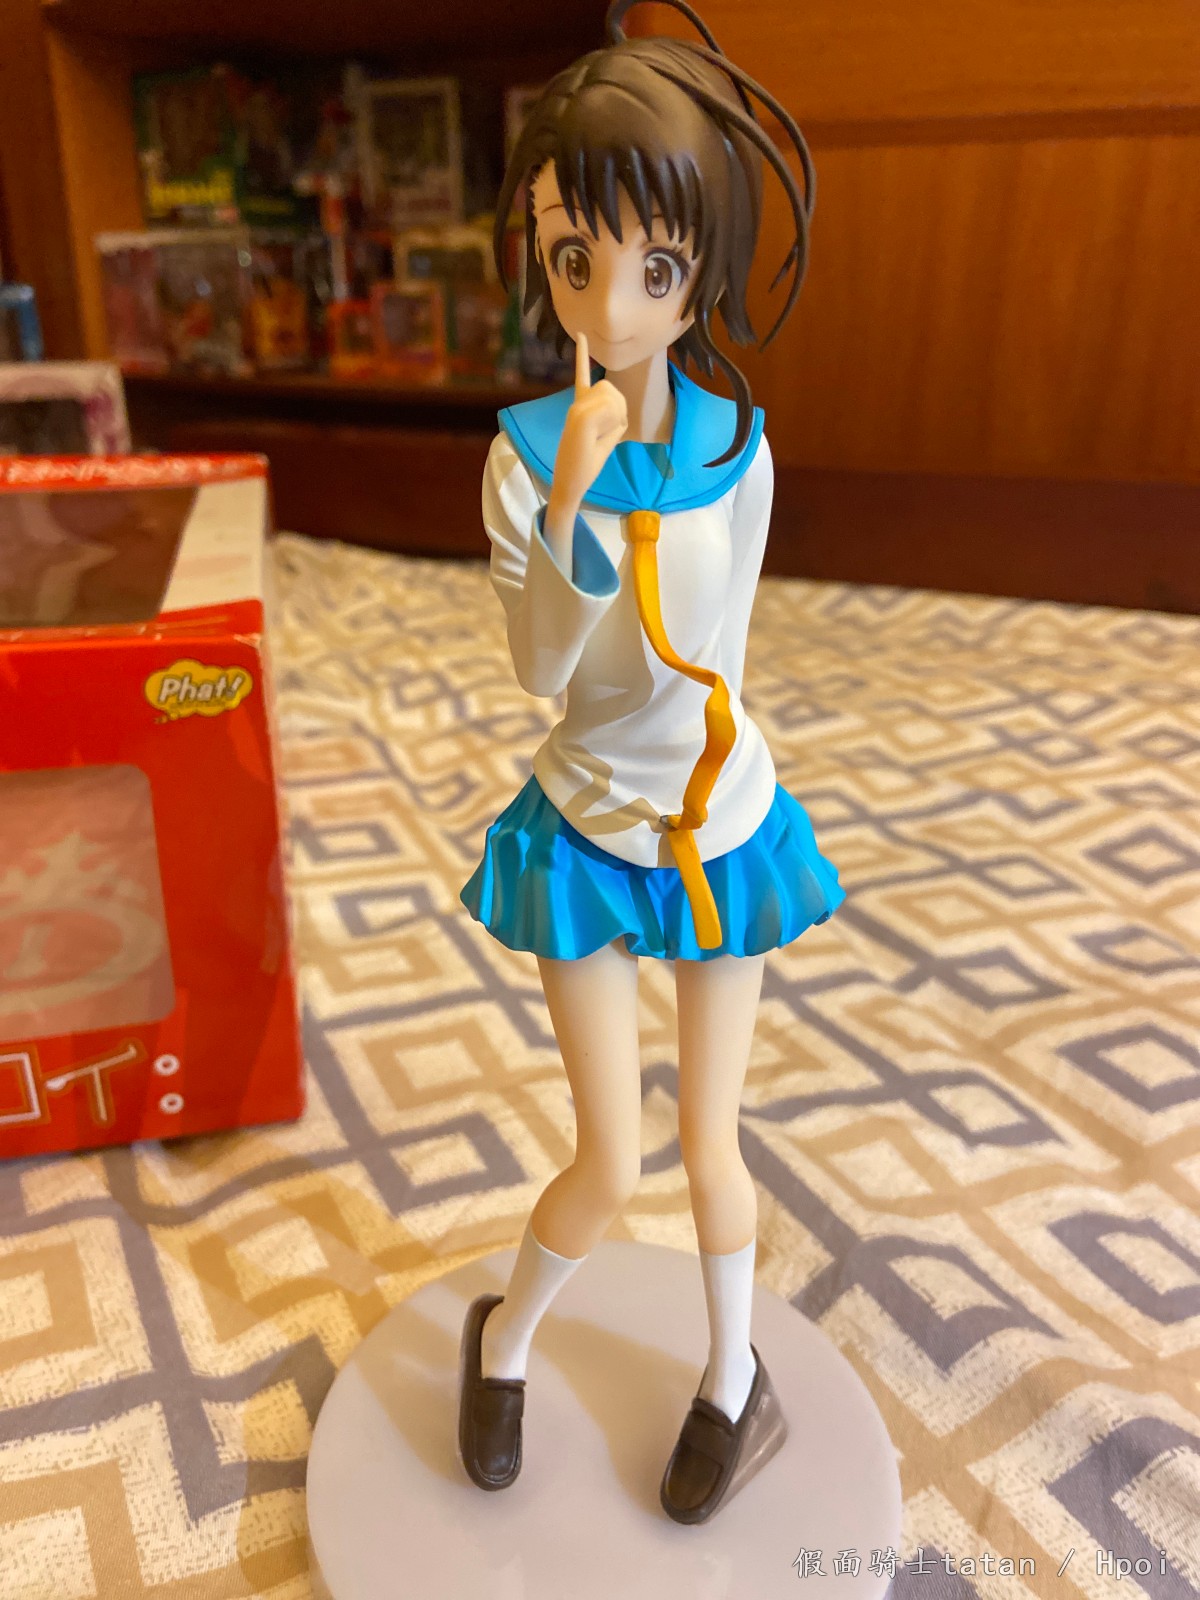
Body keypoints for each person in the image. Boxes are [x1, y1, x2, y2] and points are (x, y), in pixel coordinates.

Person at [457, 0, 844, 1525]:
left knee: (711, 1142)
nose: (613, 304)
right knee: (612, 1161)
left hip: (717, 825)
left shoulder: (740, 449)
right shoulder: (519, 456)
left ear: (703, 271)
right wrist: (569, 502)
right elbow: (542, 671)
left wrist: (710, 773)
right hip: (586, 830)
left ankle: (733, 1381)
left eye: (657, 269)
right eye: (576, 260)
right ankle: (506, 1340)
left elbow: (723, 651)